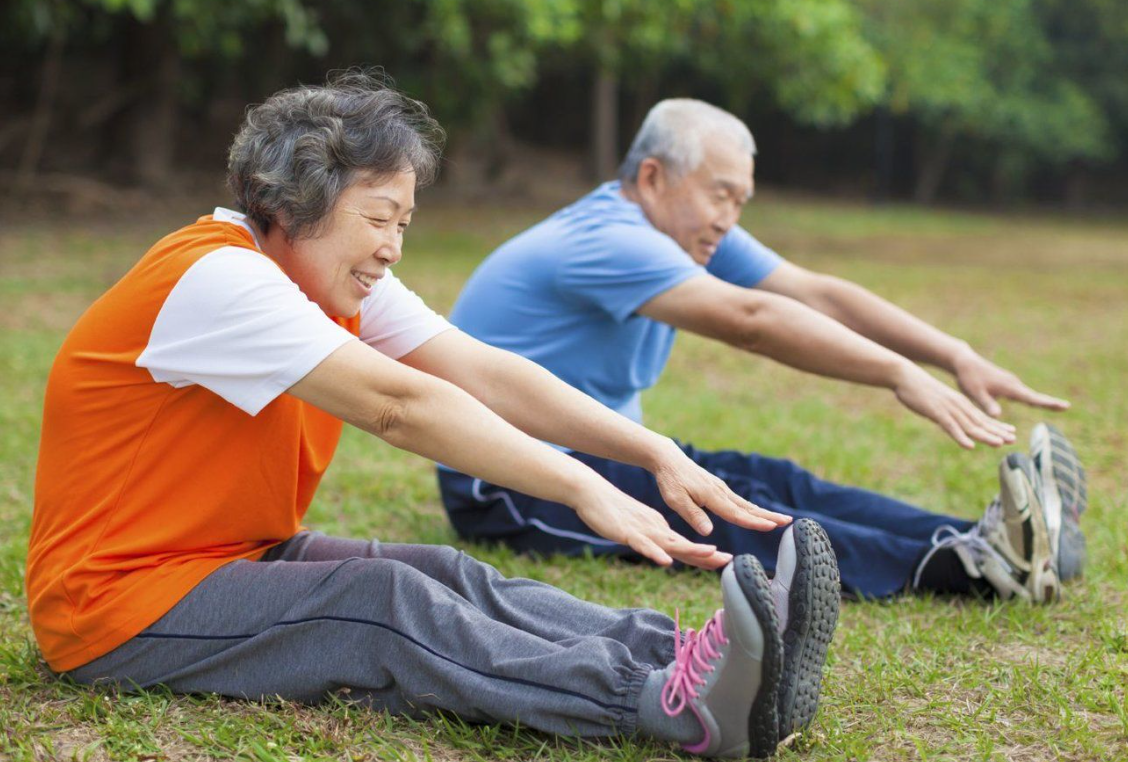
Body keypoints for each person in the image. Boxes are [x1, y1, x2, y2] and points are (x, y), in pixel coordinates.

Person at [25, 72, 843, 759]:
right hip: (115, 608)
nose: (392, 247)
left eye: (403, 223)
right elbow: (398, 405)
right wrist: (578, 486)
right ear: (295, 202)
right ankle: (672, 703)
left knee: (443, 574)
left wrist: (650, 450)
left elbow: (483, 370)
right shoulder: (218, 279)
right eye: (378, 218)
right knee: (382, 602)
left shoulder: (326, 277)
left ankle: (695, 657)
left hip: (222, 556)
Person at [438, 98, 1089, 604]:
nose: (729, 216)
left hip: (605, 448)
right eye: (720, 193)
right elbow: (751, 319)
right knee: (736, 511)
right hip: (507, 481)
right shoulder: (609, 239)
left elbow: (815, 293)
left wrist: (953, 353)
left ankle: (991, 538)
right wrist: (895, 373)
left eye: (741, 201)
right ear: (654, 176)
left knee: (775, 482)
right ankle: (968, 568)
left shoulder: (686, 230)